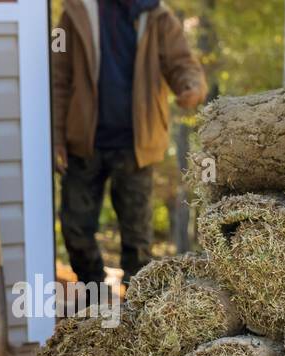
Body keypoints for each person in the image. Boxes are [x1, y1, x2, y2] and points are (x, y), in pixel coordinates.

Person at [51, 0, 206, 289]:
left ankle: (135, 313)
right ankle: (94, 298)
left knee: (138, 241)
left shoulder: (157, 16)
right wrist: (57, 138)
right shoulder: (76, 12)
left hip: (136, 145)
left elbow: (181, 63)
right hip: (83, 142)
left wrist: (191, 86)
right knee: (75, 229)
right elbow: (58, 77)